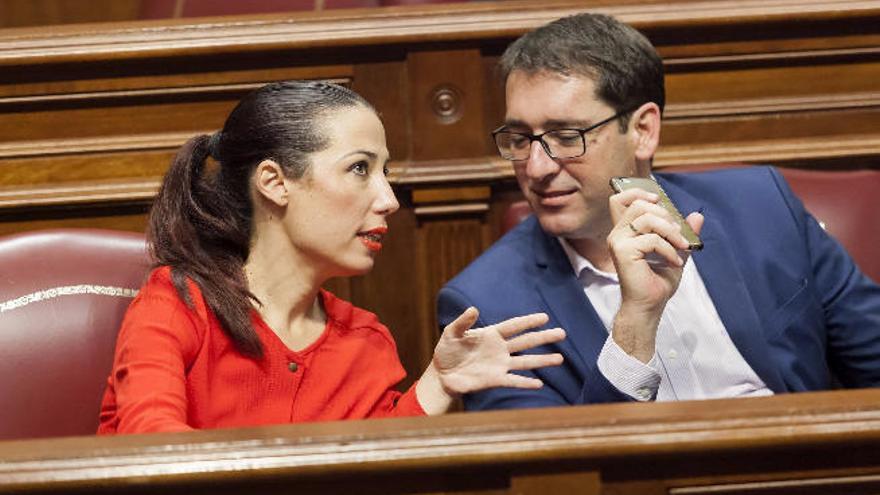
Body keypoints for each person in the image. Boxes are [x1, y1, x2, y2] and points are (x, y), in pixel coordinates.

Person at [437, 13, 880, 410]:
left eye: (567, 136)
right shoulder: (488, 304)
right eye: (519, 139)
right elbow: (547, 473)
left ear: (643, 131)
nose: (536, 168)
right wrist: (634, 323)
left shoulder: (762, 207)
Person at [98, 81, 565, 434]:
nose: (389, 199)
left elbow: (379, 467)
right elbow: (151, 452)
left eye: (386, 172)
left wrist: (438, 385)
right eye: (360, 169)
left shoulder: (365, 339)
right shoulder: (176, 304)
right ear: (275, 182)